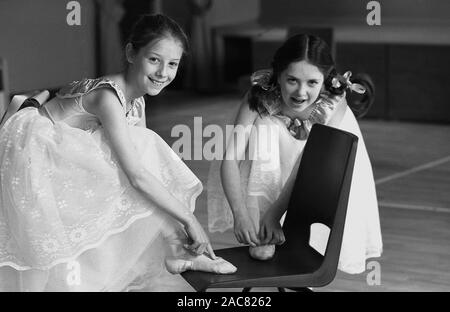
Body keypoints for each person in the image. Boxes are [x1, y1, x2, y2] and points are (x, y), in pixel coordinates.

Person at [0, 14, 236, 292]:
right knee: (40, 258)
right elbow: (136, 175)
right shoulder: (108, 97)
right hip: (34, 153)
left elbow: (144, 172)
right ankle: (176, 249)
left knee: (141, 154)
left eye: (173, 64)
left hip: (65, 155)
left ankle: (176, 249)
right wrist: (189, 218)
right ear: (130, 53)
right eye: (154, 59)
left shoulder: (136, 102)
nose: (163, 72)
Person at [207, 34, 383, 274]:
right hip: (274, 164)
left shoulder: (331, 103)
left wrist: (276, 213)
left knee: (304, 241)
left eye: (312, 82)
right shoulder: (260, 95)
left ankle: (287, 229)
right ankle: (262, 226)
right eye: (292, 80)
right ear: (277, 75)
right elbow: (230, 159)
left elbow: (307, 167)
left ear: (325, 80)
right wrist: (240, 213)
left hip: (318, 171)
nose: (301, 92)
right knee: (265, 125)